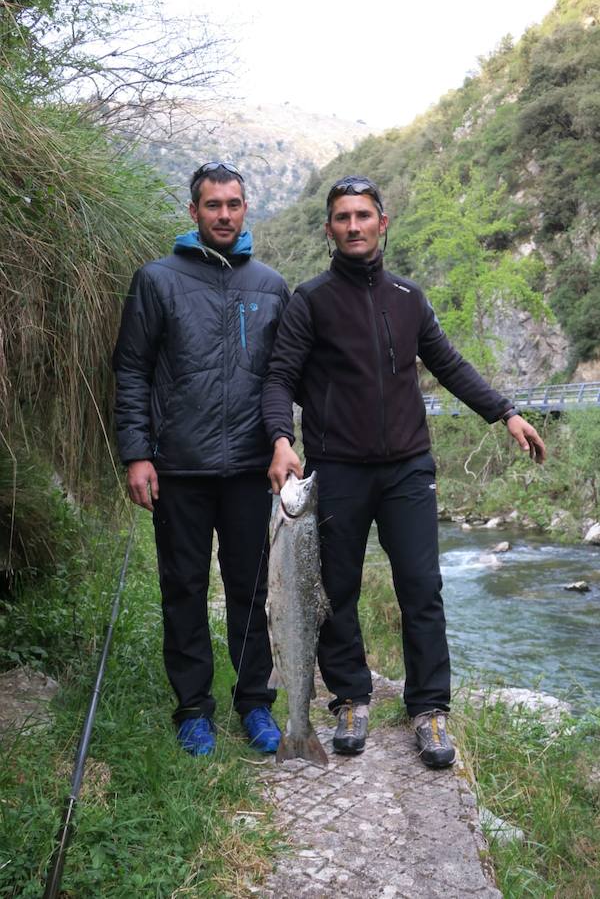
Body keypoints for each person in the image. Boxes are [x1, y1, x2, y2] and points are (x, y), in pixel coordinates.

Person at [262, 175, 546, 768]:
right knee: (334, 591)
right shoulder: (309, 300)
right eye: (342, 217)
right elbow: (280, 376)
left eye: (364, 215)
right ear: (330, 230)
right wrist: (282, 440)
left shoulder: (408, 297)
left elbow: (447, 362)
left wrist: (506, 412)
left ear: (382, 223)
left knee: (422, 588)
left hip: (408, 470)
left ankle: (430, 710)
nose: (354, 226)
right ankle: (348, 697)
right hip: (336, 469)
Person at [113, 161, 289, 757]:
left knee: (251, 588)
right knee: (183, 587)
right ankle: (193, 710)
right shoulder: (157, 280)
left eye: (233, 204)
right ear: (193, 212)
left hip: (248, 467)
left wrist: (284, 441)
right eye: (212, 205)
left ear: (246, 209)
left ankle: (255, 705)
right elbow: (132, 370)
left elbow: (283, 377)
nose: (223, 214)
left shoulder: (270, 285)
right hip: (179, 466)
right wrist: (136, 453)